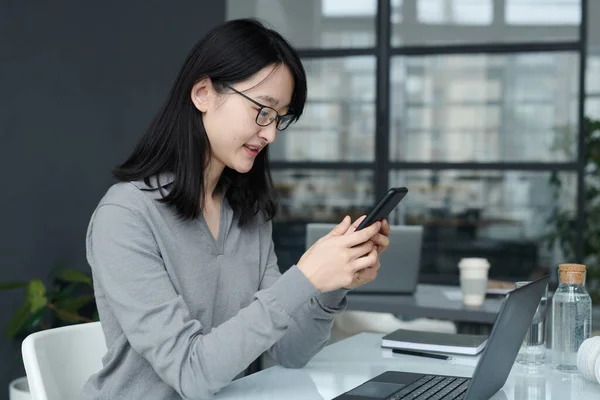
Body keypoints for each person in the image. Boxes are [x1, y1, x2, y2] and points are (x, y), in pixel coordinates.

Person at [82, 18, 391, 400]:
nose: (271, 132)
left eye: (280, 118)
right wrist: (306, 277)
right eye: (263, 110)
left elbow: (289, 353)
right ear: (203, 93)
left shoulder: (248, 215)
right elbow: (190, 372)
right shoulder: (125, 216)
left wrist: (330, 286)